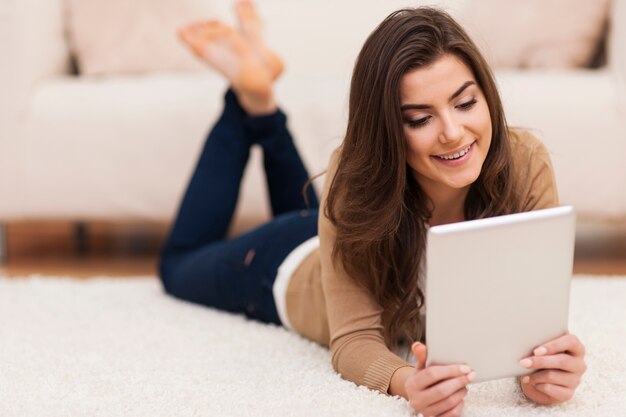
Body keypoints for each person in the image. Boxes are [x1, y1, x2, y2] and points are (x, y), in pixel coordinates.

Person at [159, 2, 587, 416]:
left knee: (313, 208)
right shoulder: (355, 181)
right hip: (281, 265)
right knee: (177, 267)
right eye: (420, 119)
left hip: (337, 229)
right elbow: (354, 341)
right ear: (387, 132)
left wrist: (547, 368)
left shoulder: (524, 161)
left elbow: (535, 326)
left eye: (465, 103)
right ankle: (248, 104)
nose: (454, 133)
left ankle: (262, 102)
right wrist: (406, 382)